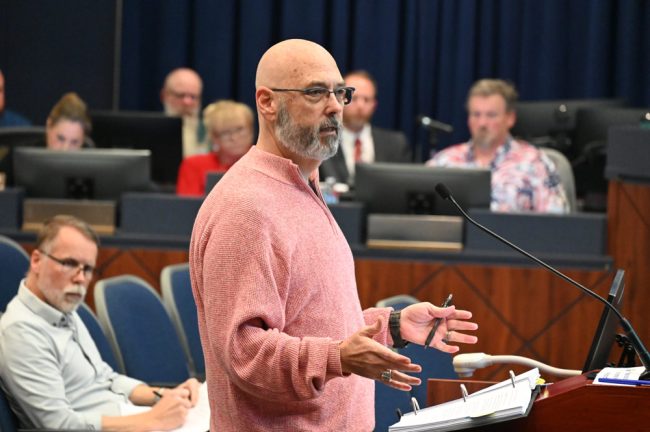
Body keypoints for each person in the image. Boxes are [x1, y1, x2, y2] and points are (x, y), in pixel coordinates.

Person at [189, 39, 478, 431]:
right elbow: (244, 354)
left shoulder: (301, 186)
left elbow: (310, 322)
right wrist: (339, 357)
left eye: (340, 93)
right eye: (315, 92)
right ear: (267, 102)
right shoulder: (246, 209)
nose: (335, 107)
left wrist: (390, 327)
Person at [0, 215, 200, 430]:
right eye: (69, 263)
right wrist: (152, 421)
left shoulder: (62, 307)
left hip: (126, 415)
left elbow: (106, 378)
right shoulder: (20, 331)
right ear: (37, 261)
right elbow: (58, 425)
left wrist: (165, 397)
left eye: (87, 269)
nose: (80, 278)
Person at [426, 79, 569, 213]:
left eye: (491, 115)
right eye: (476, 114)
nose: (482, 123)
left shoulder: (535, 163)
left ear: (510, 118)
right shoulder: (443, 161)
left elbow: (558, 224)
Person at [319, 69, 412, 186]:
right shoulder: (322, 140)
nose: (360, 106)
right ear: (339, 100)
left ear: (374, 105)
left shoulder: (396, 144)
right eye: (354, 98)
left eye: (367, 100)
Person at [176, 99, 255, 196]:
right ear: (214, 138)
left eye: (240, 129)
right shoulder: (194, 165)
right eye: (226, 132)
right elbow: (185, 207)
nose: (234, 138)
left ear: (251, 130)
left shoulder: (264, 164)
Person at [160, 67, 207, 157]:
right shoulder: (153, 131)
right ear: (164, 95)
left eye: (193, 97)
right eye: (180, 95)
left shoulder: (209, 132)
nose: (187, 102)